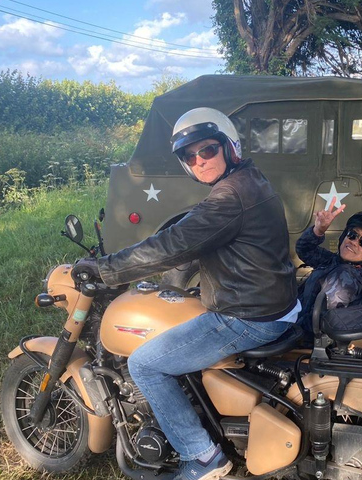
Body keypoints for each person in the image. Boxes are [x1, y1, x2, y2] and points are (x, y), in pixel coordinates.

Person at [72, 107, 298, 480]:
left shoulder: (229, 198)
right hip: (272, 302)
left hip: (247, 316)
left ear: (230, 147)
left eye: (207, 150)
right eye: (189, 156)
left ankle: (204, 456)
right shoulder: (249, 180)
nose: (199, 161)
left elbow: (171, 247)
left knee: (144, 364)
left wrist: (107, 269)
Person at [296, 198, 362, 334]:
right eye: (352, 234)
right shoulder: (334, 261)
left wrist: (285, 325)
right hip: (295, 324)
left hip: (303, 339)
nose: (354, 242)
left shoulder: (349, 276)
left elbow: (318, 321)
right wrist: (318, 230)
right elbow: (304, 249)